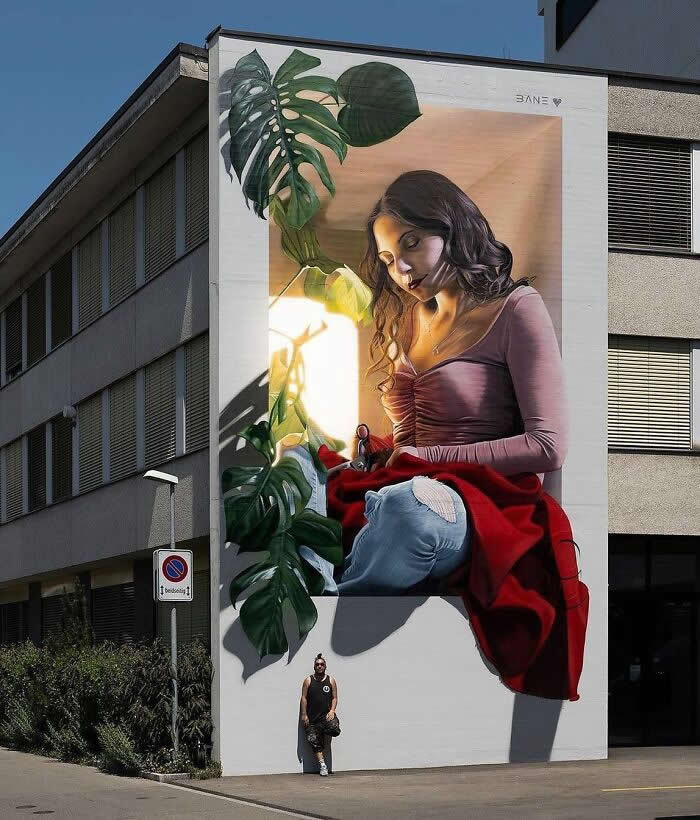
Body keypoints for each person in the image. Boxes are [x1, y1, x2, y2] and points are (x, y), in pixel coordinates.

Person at [291, 169, 567, 595]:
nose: (401, 269)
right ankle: (321, 580)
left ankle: (337, 591)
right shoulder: (410, 320)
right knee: (296, 459)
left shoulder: (517, 308)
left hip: (474, 498)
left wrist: (425, 458)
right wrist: (390, 456)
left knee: (410, 513)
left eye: (411, 243)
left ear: (451, 226)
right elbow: (407, 438)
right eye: (387, 260)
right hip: (406, 481)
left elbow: (548, 445)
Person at [299, 654, 339, 775]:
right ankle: (323, 766)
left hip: (326, 717)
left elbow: (335, 698)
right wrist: (304, 714)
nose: (319, 666)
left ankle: (322, 735)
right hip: (312, 719)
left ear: (325, 666)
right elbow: (303, 698)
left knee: (334, 729)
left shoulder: (330, 680)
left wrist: (332, 710)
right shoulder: (308, 680)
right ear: (314, 666)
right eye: (317, 664)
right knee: (313, 741)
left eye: (322, 664)